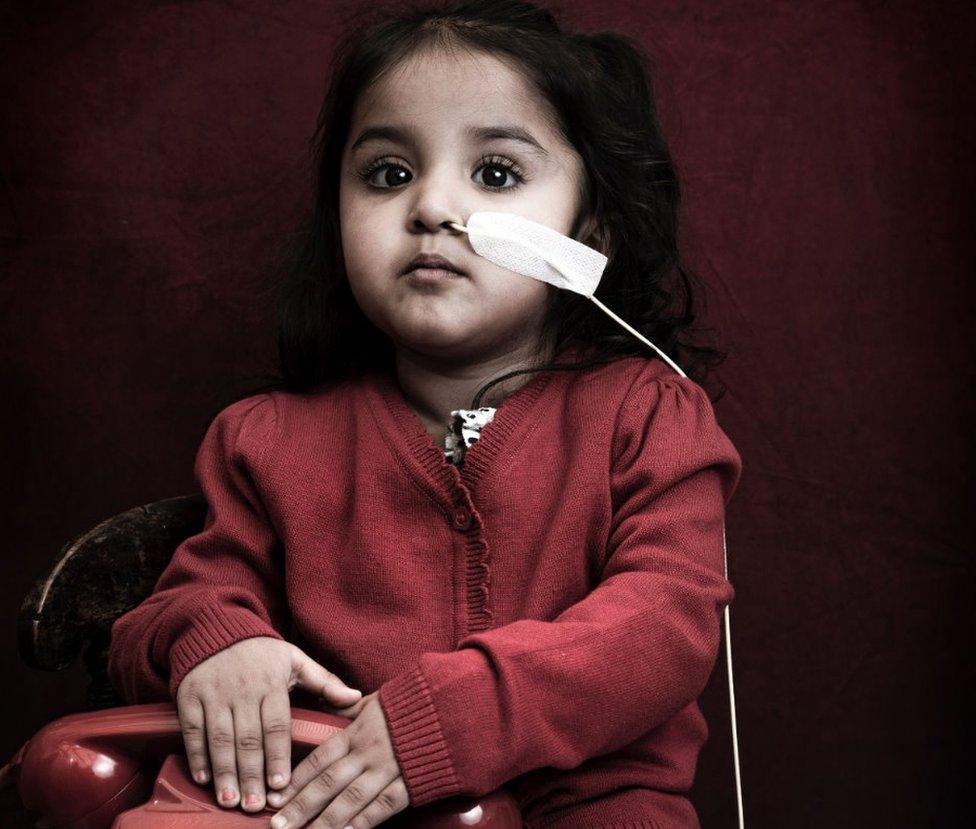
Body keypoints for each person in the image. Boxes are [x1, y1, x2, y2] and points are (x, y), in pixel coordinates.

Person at [107, 1, 744, 827]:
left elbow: (665, 626)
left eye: (497, 174)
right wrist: (219, 645)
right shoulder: (265, 441)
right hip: (341, 801)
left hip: (589, 802)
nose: (433, 207)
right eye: (388, 174)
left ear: (589, 233)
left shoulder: (653, 420)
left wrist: (457, 715)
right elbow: (174, 607)